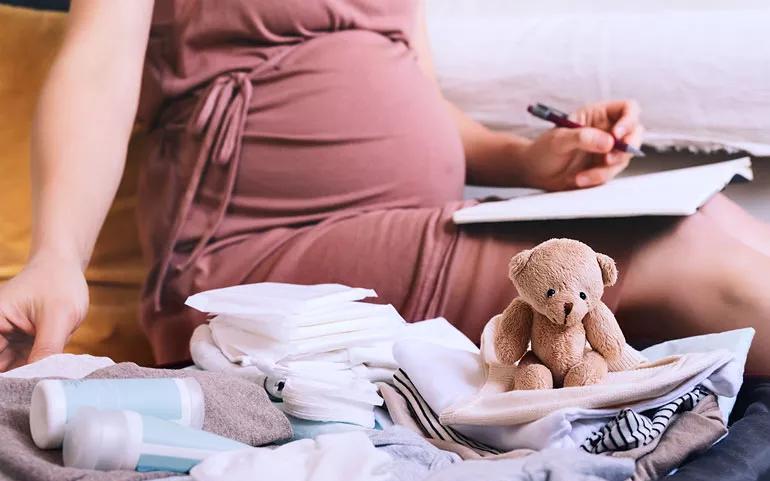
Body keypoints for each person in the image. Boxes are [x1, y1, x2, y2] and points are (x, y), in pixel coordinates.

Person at [2, 0, 770, 374]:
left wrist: (526, 160)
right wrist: (57, 254)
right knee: (696, 255)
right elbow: (100, 66)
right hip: (255, 258)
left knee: (716, 216)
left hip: (414, 218)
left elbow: (412, 99)